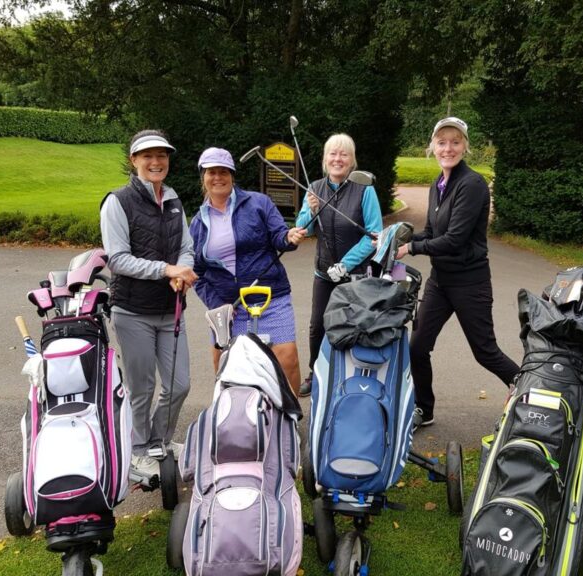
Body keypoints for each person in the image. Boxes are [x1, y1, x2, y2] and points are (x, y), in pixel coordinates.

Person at [396, 117, 519, 430]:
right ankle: (425, 409)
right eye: (442, 142)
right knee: (417, 347)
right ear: (433, 146)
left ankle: (528, 393)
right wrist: (396, 238)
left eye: (454, 141)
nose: (447, 148)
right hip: (441, 282)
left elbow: (454, 239)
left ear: (465, 146)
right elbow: (432, 231)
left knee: (485, 352)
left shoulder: (472, 184)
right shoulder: (438, 184)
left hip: (470, 282)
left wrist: (410, 250)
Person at [100, 129, 198, 476]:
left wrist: (183, 270)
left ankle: (161, 440)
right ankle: (138, 449)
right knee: (142, 388)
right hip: (133, 311)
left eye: (162, 156)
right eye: (148, 156)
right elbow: (118, 259)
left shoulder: (173, 200)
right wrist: (165, 269)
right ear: (134, 161)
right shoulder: (118, 201)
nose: (156, 162)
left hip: (170, 309)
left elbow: (187, 245)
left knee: (179, 384)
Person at [189, 147, 307, 395]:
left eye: (224, 172)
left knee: (287, 359)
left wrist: (289, 236)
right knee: (223, 362)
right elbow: (196, 271)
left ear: (232, 175)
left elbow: (278, 236)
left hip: (270, 296)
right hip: (227, 305)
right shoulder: (198, 222)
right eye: (212, 172)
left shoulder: (258, 203)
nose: (218, 177)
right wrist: (216, 303)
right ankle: (231, 416)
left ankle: (291, 417)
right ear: (204, 176)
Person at [295, 133, 383, 397]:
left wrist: (346, 264)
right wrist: (309, 210)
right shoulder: (315, 188)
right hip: (323, 273)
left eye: (344, 154)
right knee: (317, 325)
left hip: (355, 274)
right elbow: (304, 230)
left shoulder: (364, 189)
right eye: (333, 153)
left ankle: (351, 375)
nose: (338, 159)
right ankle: (315, 372)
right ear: (325, 159)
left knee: (354, 325)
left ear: (352, 160)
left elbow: (375, 235)